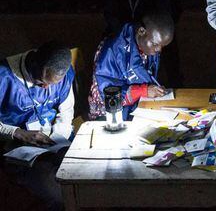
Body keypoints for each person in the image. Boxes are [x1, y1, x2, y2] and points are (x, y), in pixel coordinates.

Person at [0, 41, 75, 210]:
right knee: (59, 194)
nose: (47, 87)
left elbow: (66, 110)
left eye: (53, 84)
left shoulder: (65, 72)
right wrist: (18, 133)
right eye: (42, 83)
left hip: (54, 140)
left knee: (82, 173)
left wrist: (58, 136)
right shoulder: (4, 77)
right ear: (34, 63)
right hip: (18, 147)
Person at [88, 12, 174, 120]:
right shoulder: (112, 50)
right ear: (141, 31)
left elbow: (146, 76)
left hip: (137, 105)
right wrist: (143, 91)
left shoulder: (145, 45)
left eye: (162, 46)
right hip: (108, 114)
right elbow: (108, 94)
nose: (159, 49)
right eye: (155, 44)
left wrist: (152, 89)